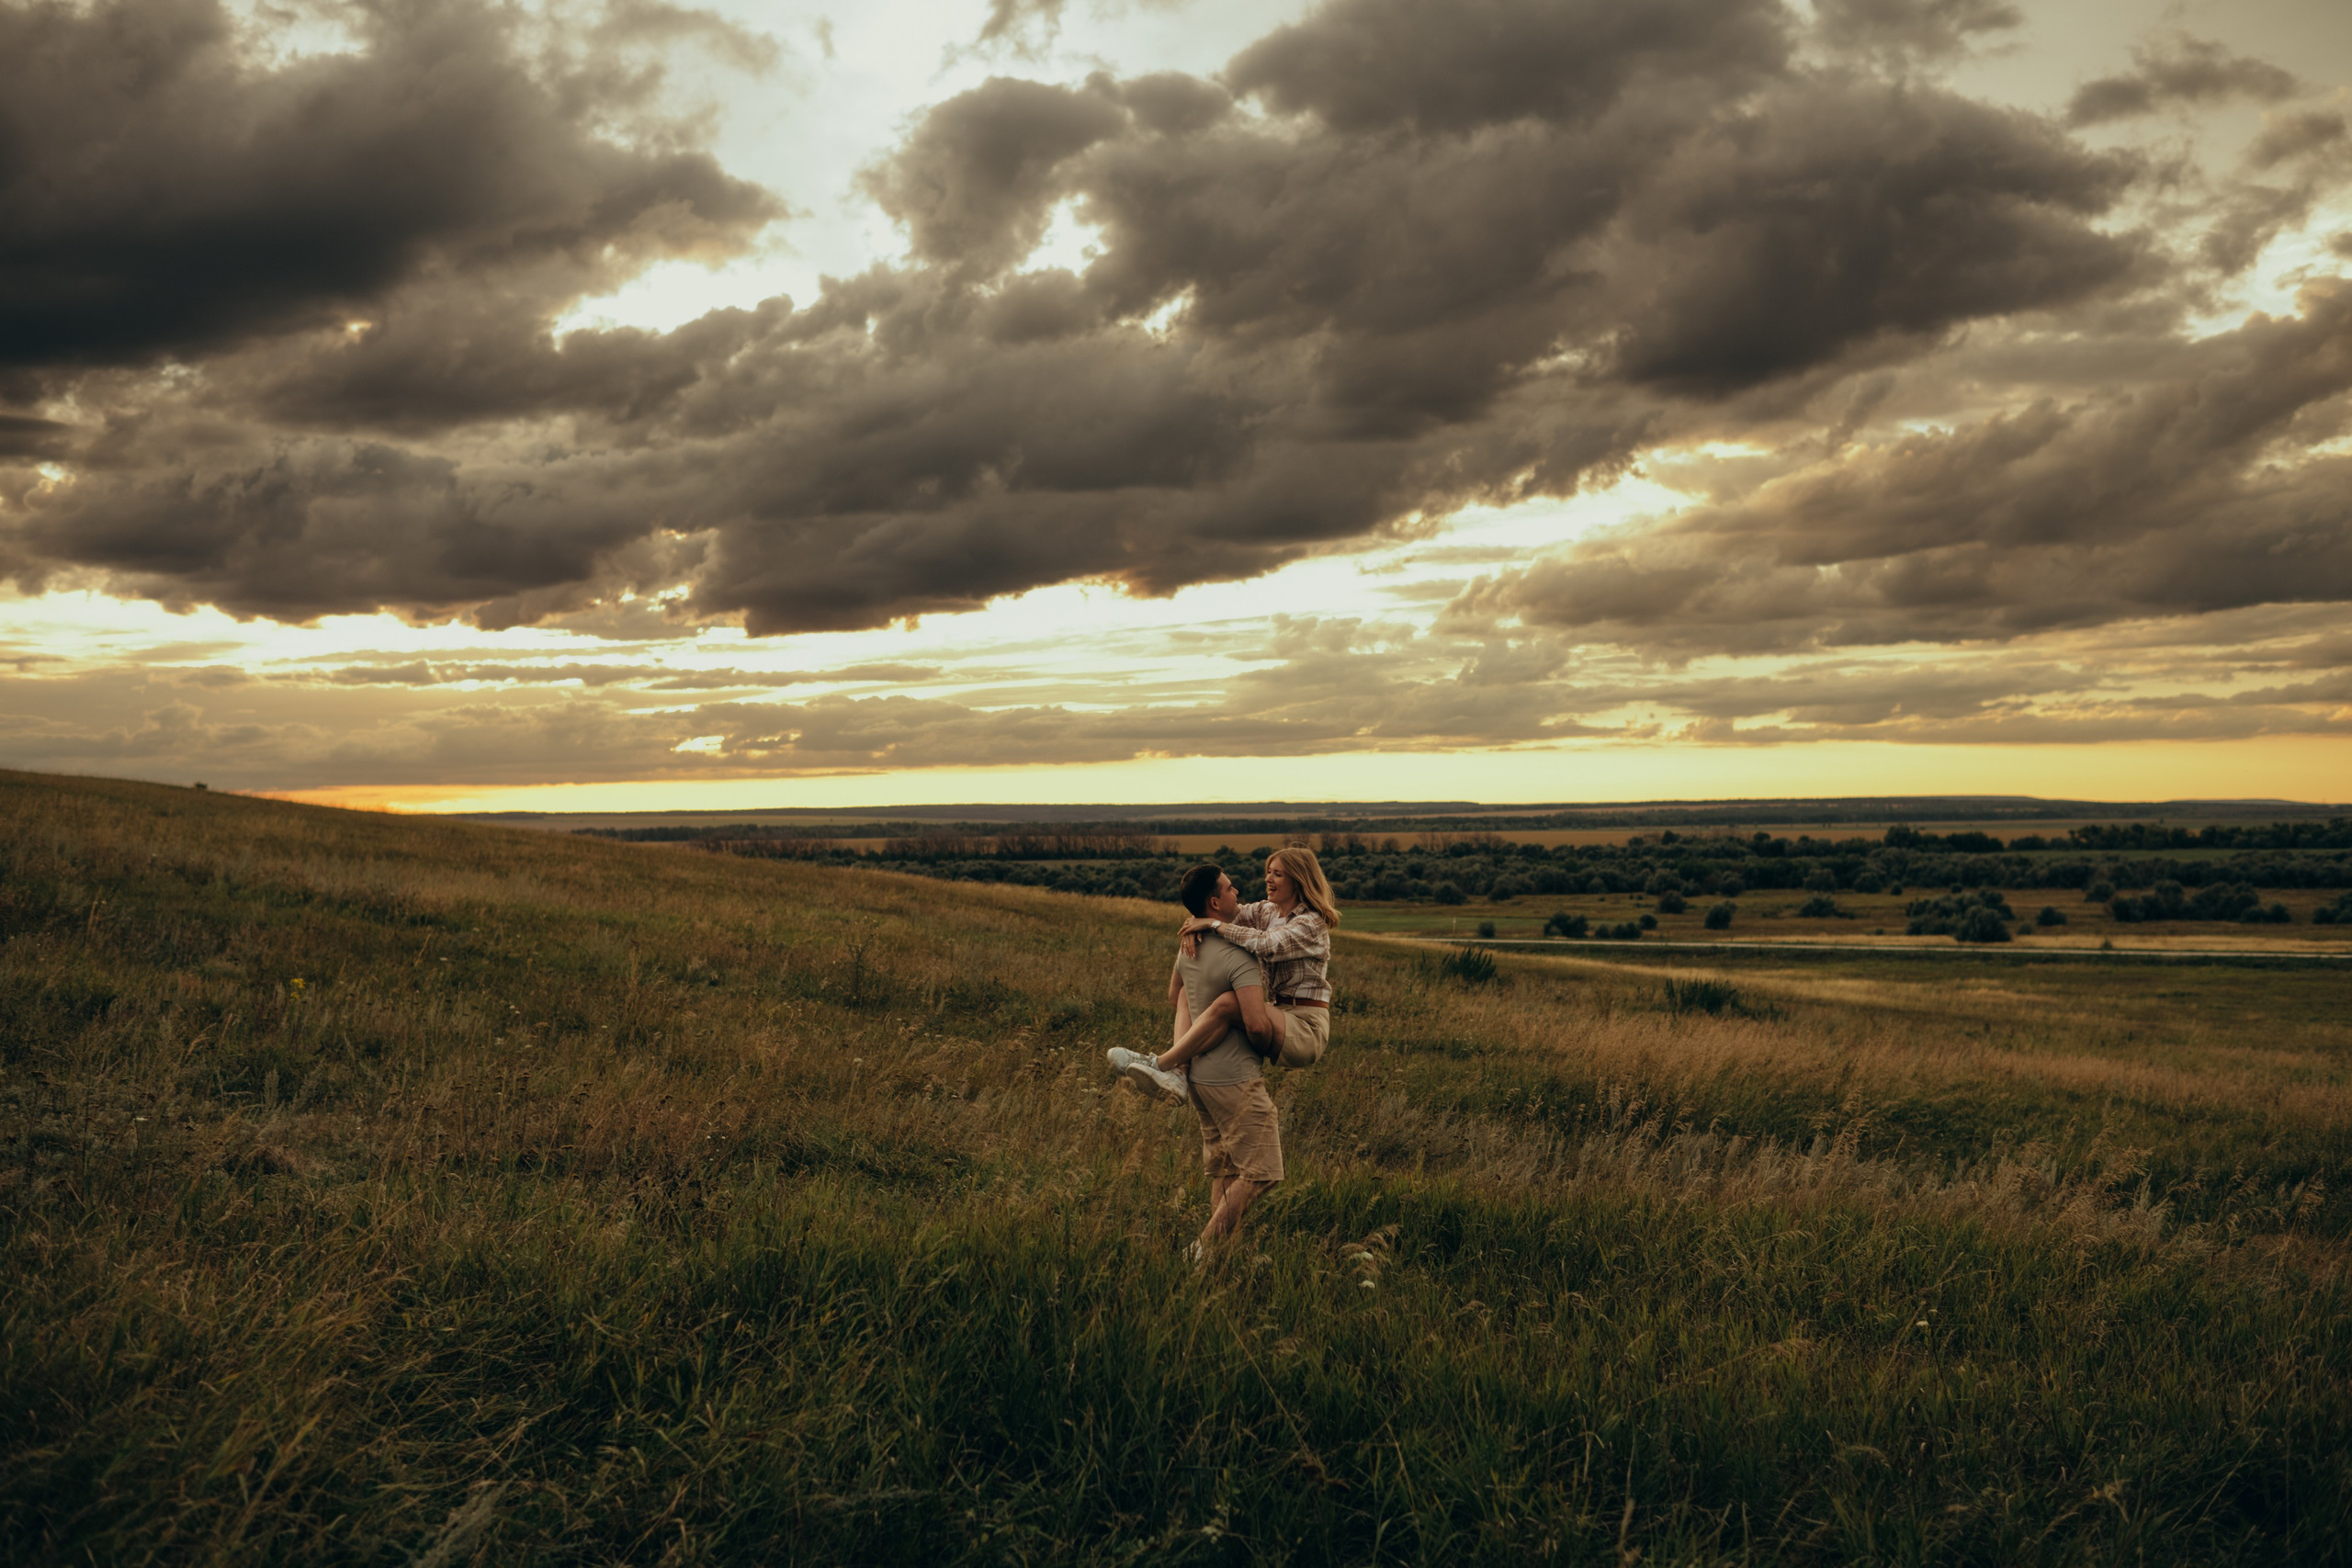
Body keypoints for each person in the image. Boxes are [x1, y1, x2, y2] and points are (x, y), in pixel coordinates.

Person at [1109, 863, 1287, 1255]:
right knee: (1262, 1174)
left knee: (1225, 1170)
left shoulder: (1190, 944)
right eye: (1228, 888)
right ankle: (1201, 1250)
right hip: (1234, 1077)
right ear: (1214, 902)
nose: (1237, 890)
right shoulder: (1241, 956)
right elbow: (1258, 1026)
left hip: (1201, 1079)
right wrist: (1271, 1043)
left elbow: (1176, 996)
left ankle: (1216, 1263)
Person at [1113, 846, 1340, 1104]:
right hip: (1279, 1013)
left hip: (1305, 1025)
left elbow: (1267, 944)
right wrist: (1193, 923)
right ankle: (1178, 1073)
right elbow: (1222, 911)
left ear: (1298, 880)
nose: (1268, 879)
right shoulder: (1267, 911)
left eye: (1278, 874)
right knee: (1187, 991)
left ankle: (1159, 1063)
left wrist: (1210, 924)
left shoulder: (1311, 923)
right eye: (1268, 871)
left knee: (1230, 1002)